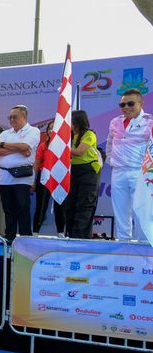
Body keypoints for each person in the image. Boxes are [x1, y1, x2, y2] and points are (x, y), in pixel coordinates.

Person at [107, 89, 153, 241]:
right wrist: (111, 160)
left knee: (141, 209)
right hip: (118, 171)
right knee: (120, 210)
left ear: (140, 104)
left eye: (130, 103)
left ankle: (143, 243)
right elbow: (109, 143)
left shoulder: (149, 122)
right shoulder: (115, 122)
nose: (126, 107)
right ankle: (123, 242)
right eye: (122, 104)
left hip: (139, 172)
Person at [0, 105, 41, 242]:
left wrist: (4, 145)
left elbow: (25, 147)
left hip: (22, 176)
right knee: (8, 208)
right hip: (4, 176)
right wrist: (18, 148)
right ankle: (10, 236)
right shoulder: (5, 133)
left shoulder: (33, 131)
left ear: (24, 117)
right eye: (10, 117)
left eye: (15, 117)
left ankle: (25, 236)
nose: (12, 119)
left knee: (22, 207)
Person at [64, 110, 102, 239]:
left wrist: (61, 147)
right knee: (70, 204)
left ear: (78, 121)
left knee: (84, 204)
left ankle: (80, 236)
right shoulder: (68, 136)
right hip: (73, 170)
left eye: (70, 121)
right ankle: (71, 235)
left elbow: (79, 152)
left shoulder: (89, 134)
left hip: (88, 171)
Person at [33, 121, 65, 235]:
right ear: (47, 132)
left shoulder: (64, 145)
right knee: (41, 206)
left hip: (59, 177)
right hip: (44, 177)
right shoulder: (43, 145)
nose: (52, 131)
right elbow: (37, 163)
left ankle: (61, 232)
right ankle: (35, 232)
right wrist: (33, 180)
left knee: (59, 206)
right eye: (49, 129)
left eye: (54, 128)